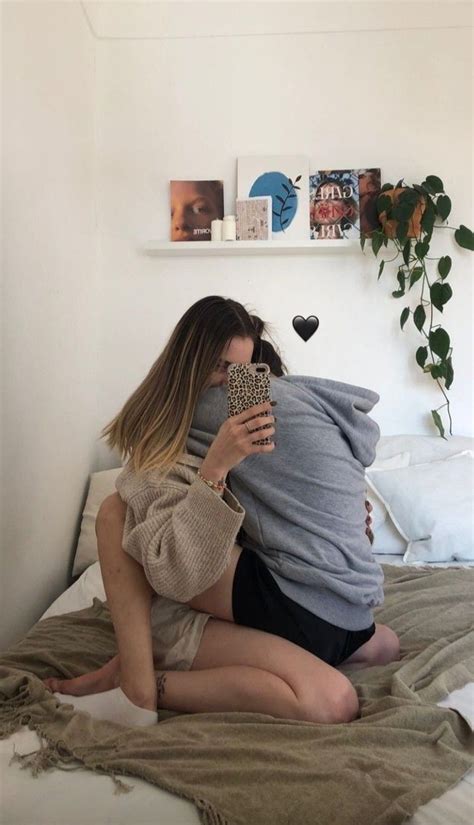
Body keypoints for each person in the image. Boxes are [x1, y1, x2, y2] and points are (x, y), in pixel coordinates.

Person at [44, 296, 399, 727]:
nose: (230, 386)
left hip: (284, 586)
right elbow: (176, 570)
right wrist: (215, 469)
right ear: (187, 362)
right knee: (116, 510)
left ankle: (139, 667)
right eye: (218, 368)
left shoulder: (255, 406)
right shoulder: (173, 435)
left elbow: (293, 497)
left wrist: (339, 519)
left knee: (384, 646)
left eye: (241, 371)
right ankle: (140, 684)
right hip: (195, 574)